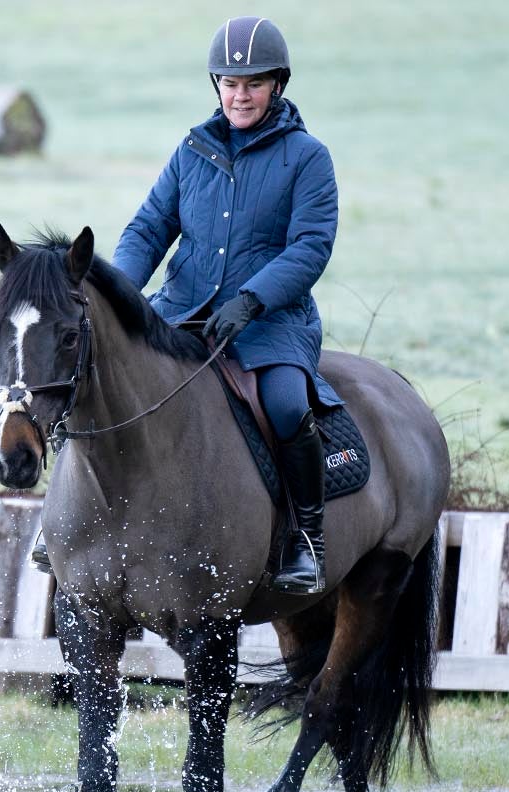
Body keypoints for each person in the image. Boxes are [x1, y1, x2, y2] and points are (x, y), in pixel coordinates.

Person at [112, 15, 339, 596]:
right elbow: (148, 228)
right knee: (99, 378)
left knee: (288, 406)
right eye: (230, 83)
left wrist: (252, 298)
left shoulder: (307, 157)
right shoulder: (192, 150)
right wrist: (117, 295)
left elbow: (310, 246)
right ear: (216, 85)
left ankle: (304, 537)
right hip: (180, 312)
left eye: (254, 83)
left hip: (270, 323)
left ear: (277, 85)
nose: (240, 95)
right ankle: (69, 523)